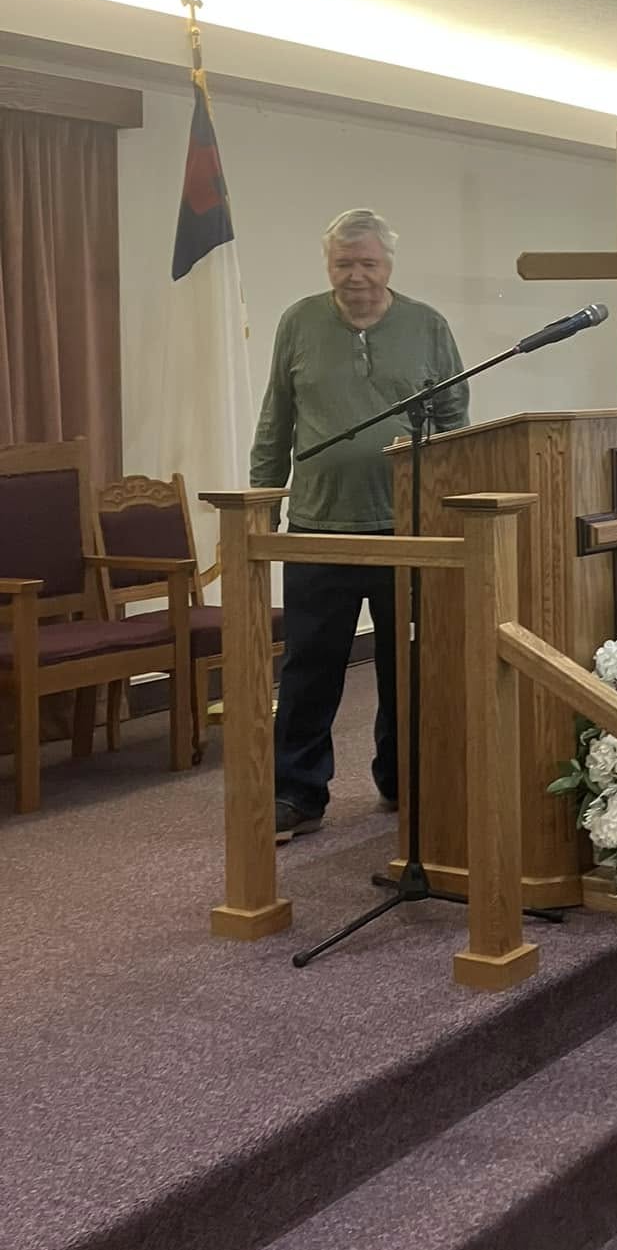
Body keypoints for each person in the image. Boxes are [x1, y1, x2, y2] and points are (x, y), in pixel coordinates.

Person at [251, 207, 469, 842]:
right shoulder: (298, 321)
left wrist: (445, 504)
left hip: (405, 525)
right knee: (310, 663)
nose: (356, 276)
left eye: (367, 263)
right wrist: (261, 503)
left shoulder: (427, 326)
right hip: (318, 525)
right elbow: (276, 419)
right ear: (328, 266)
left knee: (407, 661)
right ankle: (296, 792)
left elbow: (455, 418)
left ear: (388, 266)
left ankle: (405, 778)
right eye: (343, 264)